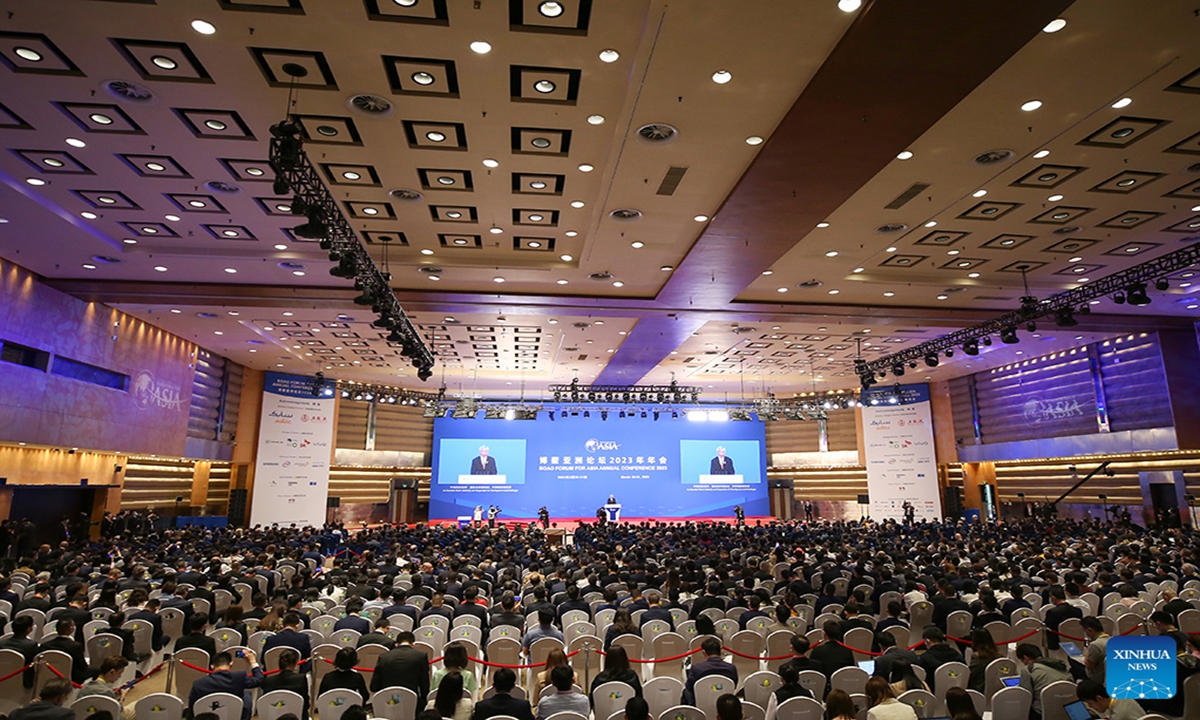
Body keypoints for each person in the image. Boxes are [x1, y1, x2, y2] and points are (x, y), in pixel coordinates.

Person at [188, 650, 265, 720]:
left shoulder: (198, 684)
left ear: (212, 666)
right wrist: (253, 662)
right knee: (246, 695)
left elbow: (191, 711)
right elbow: (259, 680)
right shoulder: (239, 677)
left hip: (208, 717)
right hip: (233, 715)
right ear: (231, 664)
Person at [1015, 643, 1072, 720]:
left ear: (1026, 658)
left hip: (1042, 712)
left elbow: (1026, 696)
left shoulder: (1028, 670)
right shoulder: (1058, 665)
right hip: (1068, 709)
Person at [373, 630, 431, 705]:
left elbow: (374, 686)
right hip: (412, 701)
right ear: (413, 644)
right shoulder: (421, 656)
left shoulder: (383, 657)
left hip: (387, 702)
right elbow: (424, 684)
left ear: (397, 644)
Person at [683, 637, 738, 705]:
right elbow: (734, 686)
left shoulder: (697, 668)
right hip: (725, 704)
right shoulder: (731, 668)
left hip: (701, 703)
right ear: (720, 652)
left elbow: (689, 687)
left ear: (704, 653)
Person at [261, 648, 310, 719]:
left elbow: (266, 705)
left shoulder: (268, 681)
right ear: (295, 663)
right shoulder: (301, 679)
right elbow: (305, 705)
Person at [40, 618, 88, 684]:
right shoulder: (76, 646)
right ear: (71, 629)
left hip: (48, 674)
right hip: (72, 677)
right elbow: (82, 667)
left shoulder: (45, 645)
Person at [1077, 678, 1144, 720]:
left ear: (1099, 698)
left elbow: (1120, 716)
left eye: (1090, 703)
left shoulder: (1119, 716)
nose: (1089, 706)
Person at [9, 678, 74, 720]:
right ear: (61, 697)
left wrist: (29, 707)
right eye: (65, 698)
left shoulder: (16, 713)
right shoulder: (64, 714)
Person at [1081, 616, 1110, 684]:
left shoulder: (1095, 645)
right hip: (1111, 677)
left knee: (1074, 667)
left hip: (1098, 679)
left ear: (1089, 630)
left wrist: (1087, 650)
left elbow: (1089, 667)